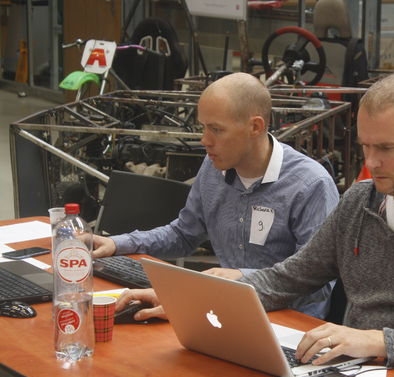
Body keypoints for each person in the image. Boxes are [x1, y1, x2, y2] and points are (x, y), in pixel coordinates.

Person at [120, 72, 394, 377]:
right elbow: (290, 278)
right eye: (365, 147)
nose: (372, 162)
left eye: (387, 148)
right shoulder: (361, 202)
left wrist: (379, 340)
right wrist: (191, 297)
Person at [94, 72, 339, 319]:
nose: (205, 140)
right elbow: (183, 234)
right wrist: (117, 243)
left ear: (255, 126)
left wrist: (242, 279)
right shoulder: (213, 167)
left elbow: (315, 281)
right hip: (223, 309)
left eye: (216, 129)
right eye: (203, 127)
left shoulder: (310, 185)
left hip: (289, 325)